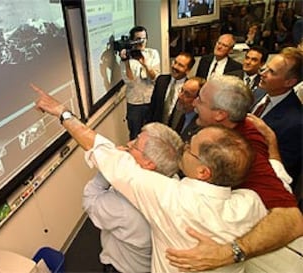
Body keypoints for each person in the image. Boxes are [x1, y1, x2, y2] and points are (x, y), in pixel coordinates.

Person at [32, 83, 269, 273]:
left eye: (189, 148)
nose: (183, 148)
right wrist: (236, 251)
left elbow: (103, 152)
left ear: (203, 172)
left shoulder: (170, 198)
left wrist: (62, 112)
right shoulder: (252, 202)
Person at [165, 75, 302, 272]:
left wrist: (232, 252)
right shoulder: (225, 128)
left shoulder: (245, 150)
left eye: (200, 100)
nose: (194, 102)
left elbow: (292, 219)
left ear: (220, 114)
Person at [82, 122, 183, 273]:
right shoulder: (173, 182)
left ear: (149, 163)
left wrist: (107, 169)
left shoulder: (123, 204)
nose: (128, 144)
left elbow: (89, 201)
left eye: (135, 144)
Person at [251, 46, 302, 188]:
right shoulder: (258, 93)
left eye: (271, 72)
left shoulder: (296, 122)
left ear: (289, 82)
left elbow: (281, 172)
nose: (262, 73)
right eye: (266, 68)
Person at [119, 25, 160, 140]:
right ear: (132, 40)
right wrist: (126, 62)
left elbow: (155, 78)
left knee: (152, 135)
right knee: (135, 135)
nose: (141, 42)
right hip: (135, 103)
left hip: (151, 100)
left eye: (144, 38)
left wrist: (145, 64)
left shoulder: (153, 54)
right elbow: (130, 82)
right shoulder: (126, 58)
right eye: (138, 39)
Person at [149, 52, 195, 126]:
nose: (175, 67)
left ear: (188, 70)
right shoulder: (161, 80)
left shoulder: (189, 88)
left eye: (180, 65)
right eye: (175, 62)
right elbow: (152, 108)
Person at [173, 77, 205, 141]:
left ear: (197, 100)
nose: (179, 96)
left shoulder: (201, 124)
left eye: (187, 94)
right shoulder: (181, 113)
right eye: (181, 90)